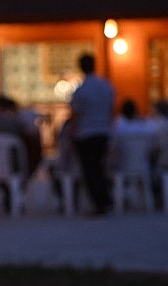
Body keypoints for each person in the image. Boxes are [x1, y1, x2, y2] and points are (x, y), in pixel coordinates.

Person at [69, 53, 115, 216]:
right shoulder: (106, 86)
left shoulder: (81, 91)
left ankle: (99, 203)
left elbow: (76, 115)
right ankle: (105, 200)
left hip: (86, 134)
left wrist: (72, 135)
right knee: (100, 167)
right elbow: (111, 111)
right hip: (103, 132)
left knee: (91, 170)